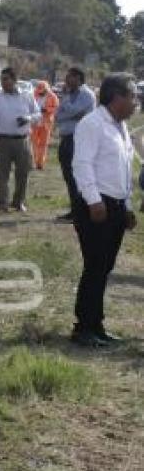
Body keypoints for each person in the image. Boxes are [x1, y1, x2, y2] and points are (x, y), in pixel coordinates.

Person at [70, 73, 138, 347]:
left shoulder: (120, 127)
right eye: (132, 96)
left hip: (117, 206)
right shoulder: (92, 124)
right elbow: (82, 164)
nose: (136, 102)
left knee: (104, 268)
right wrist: (94, 200)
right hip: (97, 207)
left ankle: (96, 325)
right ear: (117, 97)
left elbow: (123, 171)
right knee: (95, 267)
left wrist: (129, 206)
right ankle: (83, 328)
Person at [0, 67, 42, 213]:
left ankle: (18, 202)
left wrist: (28, 118)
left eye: (6, 79)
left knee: (23, 172)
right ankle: (2, 204)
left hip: (22, 140)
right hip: (2, 140)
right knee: (2, 174)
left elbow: (38, 114)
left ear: (14, 80)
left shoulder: (26, 96)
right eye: (1, 79)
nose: (3, 82)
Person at [54, 67, 96, 223]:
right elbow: (57, 116)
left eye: (69, 77)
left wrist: (66, 105)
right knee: (68, 177)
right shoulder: (70, 94)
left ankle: (80, 212)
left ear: (78, 78)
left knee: (76, 178)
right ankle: (75, 210)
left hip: (78, 140)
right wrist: (69, 113)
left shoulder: (86, 95)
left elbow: (73, 111)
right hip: (66, 139)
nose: (66, 80)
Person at [30, 81, 59, 170]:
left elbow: (56, 108)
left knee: (43, 144)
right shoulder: (34, 94)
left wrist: (46, 110)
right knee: (33, 143)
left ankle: (40, 163)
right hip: (34, 122)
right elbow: (29, 106)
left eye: (42, 91)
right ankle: (33, 162)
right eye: (39, 91)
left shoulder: (53, 96)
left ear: (46, 89)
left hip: (46, 123)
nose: (40, 93)